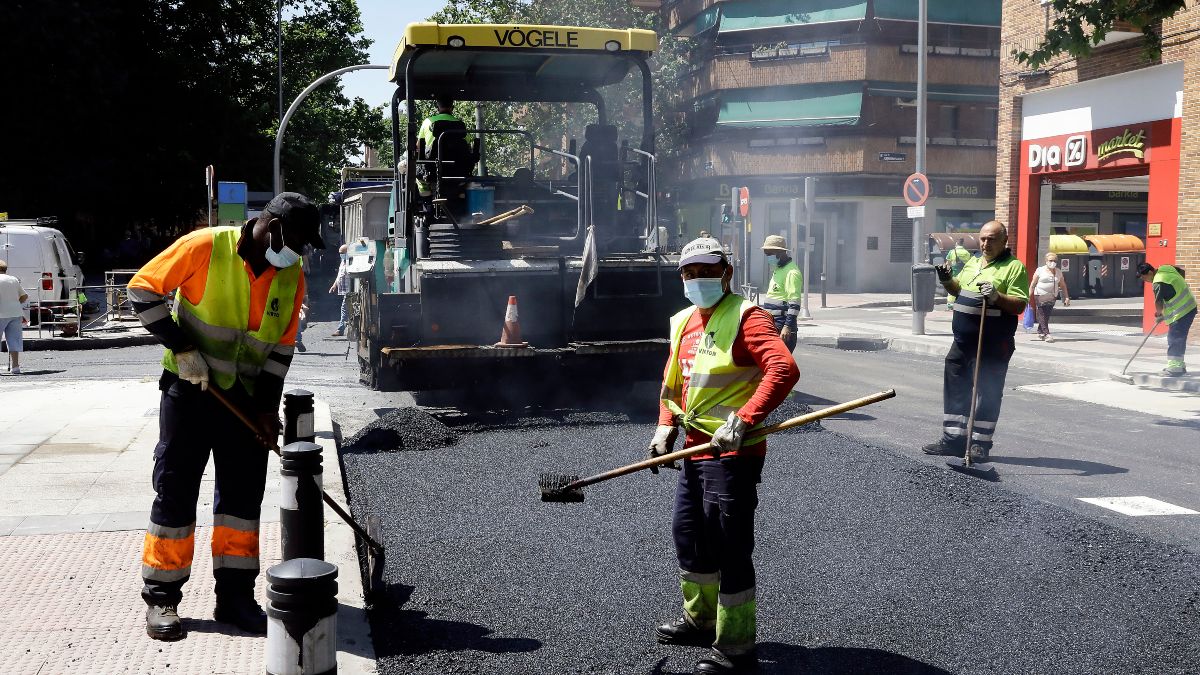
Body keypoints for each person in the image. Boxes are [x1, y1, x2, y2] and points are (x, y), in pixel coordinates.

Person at [127, 192, 322, 641]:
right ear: (271, 227)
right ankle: (162, 599)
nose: (299, 253)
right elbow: (142, 289)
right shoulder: (206, 246)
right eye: (295, 240)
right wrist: (182, 347)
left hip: (243, 401)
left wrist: (265, 412)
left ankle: (235, 598)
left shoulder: (291, 276)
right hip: (191, 391)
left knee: (241, 502)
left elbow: (279, 352)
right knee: (175, 492)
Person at [649, 237, 799, 674]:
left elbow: (784, 369)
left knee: (730, 546)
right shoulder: (681, 321)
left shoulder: (748, 318)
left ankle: (735, 646)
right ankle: (700, 620)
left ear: (726, 273)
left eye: (706, 270)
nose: (697, 279)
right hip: (696, 451)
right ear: (681, 277)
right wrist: (665, 425)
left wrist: (746, 418)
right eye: (689, 272)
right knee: (689, 536)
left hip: (733, 454)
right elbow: (673, 380)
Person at [923, 221, 1029, 464]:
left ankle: (980, 443)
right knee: (956, 387)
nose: (985, 243)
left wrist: (996, 295)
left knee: (987, 391)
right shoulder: (972, 262)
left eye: (991, 239)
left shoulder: (1014, 268)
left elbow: (1020, 304)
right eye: (982, 239)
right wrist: (947, 280)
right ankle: (953, 440)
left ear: (1004, 241)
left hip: (992, 342)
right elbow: (958, 290)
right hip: (963, 341)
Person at [1138, 262, 1195, 376]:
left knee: (1174, 338)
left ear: (1149, 272)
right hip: (1190, 307)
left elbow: (1158, 301)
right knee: (1179, 338)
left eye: (1144, 278)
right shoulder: (1166, 269)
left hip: (1181, 312)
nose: (1145, 281)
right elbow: (1181, 272)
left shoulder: (1158, 282)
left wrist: (1159, 315)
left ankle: (1174, 368)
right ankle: (1179, 365)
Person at [415, 96, 474, 199]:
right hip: (459, 172)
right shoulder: (460, 125)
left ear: (437, 107)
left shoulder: (427, 122)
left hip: (433, 171)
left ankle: (426, 195)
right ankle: (460, 192)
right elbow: (468, 148)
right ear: (452, 107)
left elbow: (419, 147)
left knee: (415, 168)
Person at [760, 234, 803, 351]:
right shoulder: (778, 269)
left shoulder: (792, 272)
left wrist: (787, 326)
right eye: (766, 254)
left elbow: (795, 303)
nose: (767, 257)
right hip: (773, 325)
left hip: (783, 328)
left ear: (780, 253)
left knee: (780, 366)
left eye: (769, 254)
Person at [1027, 252, 1070, 342]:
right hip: (1040, 294)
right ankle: (1047, 333)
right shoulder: (1040, 270)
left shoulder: (1058, 271)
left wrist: (1066, 297)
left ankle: (1040, 331)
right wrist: (1027, 296)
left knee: (1046, 315)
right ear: (1046, 261)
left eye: (1055, 260)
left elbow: (1063, 285)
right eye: (1050, 260)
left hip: (1052, 296)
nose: (1052, 262)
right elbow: (1033, 284)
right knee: (1042, 313)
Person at [0, 260, 29, 374]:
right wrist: (14, 301)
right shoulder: (13, 279)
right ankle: (15, 366)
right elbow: (24, 296)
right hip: (15, 313)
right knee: (14, 340)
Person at [329, 244, 350, 337]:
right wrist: (334, 285)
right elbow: (339, 275)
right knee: (347, 309)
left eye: (342, 253)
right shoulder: (343, 261)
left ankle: (341, 329)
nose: (340, 255)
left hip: (350, 290)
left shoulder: (351, 261)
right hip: (344, 290)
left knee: (344, 309)